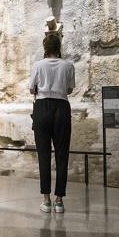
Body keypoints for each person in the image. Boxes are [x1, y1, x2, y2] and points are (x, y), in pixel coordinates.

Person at [29, 34, 75, 214]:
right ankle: (59, 201)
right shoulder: (68, 65)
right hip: (62, 107)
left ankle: (46, 200)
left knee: (44, 155)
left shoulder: (38, 65)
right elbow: (70, 89)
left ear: (45, 47)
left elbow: (31, 88)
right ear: (59, 47)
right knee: (62, 155)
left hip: (42, 107)